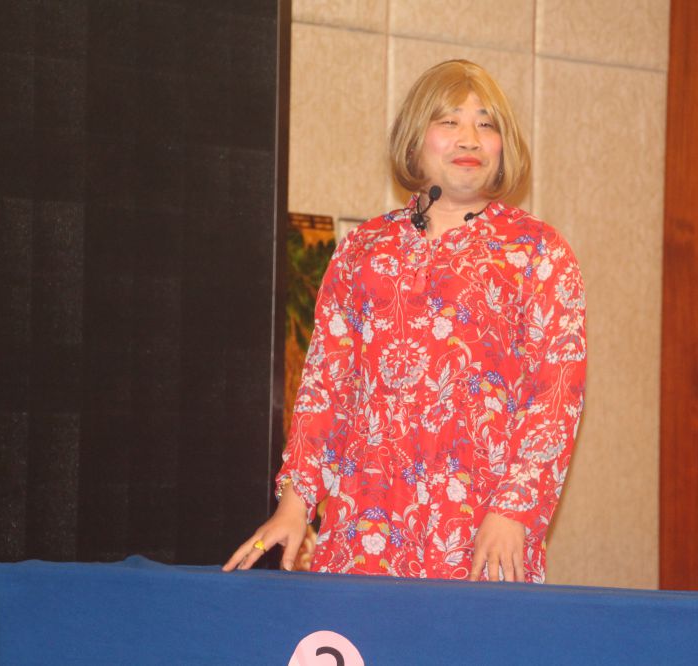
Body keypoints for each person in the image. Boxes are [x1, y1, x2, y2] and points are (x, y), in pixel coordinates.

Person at [224, 60, 586, 583]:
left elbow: (555, 396)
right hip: (364, 532)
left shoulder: (539, 253)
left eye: (486, 124)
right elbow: (327, 386)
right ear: (414, 138)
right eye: (449, 121)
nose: (470, 138)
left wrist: (515, 511)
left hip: (482, 536)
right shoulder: (363, 250)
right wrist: (295, 503)